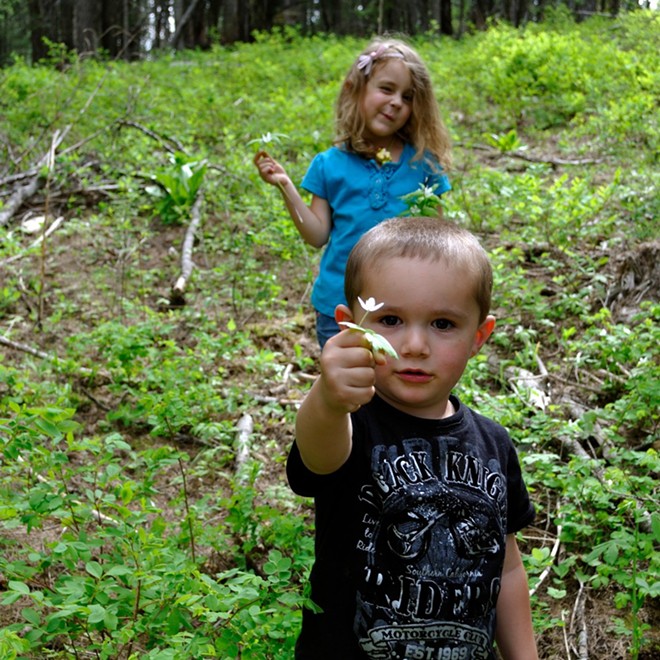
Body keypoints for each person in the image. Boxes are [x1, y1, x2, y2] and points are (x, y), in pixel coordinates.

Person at [287, 217, 538, 659]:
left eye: (443, 324)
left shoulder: (494, 443)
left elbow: (509, 567)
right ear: (351, 328)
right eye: (390, 319)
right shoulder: (352, 422)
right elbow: (319, 454)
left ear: (479, 336)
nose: (415, 344)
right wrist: (327, 398)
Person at [254, 38, 452, 348]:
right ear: (354, 89)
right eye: (386, 89)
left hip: (405, 309)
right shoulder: (329, 165)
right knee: (349, 389)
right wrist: (285, 185)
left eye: (408, 96)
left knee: (395, 390)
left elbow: (439, 240)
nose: (397, 102)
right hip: (340, 309)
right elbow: (317, 235)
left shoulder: (423, 165)